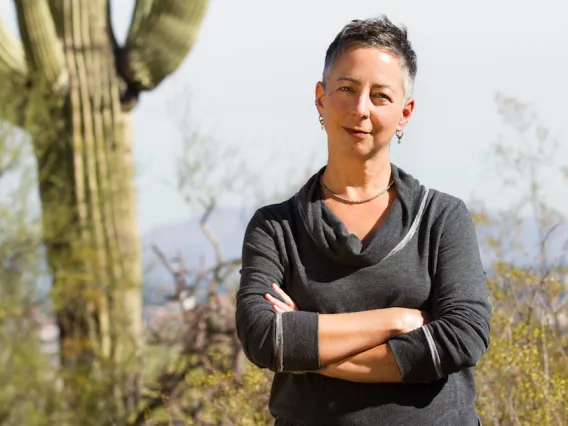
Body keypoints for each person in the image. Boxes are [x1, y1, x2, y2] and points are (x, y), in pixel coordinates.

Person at [235, 15, 491, 426]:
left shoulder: (442, 219)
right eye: (347, 89)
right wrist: (395, 320)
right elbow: (264, 337)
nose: (360, 109)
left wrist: (306, 350)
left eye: (380, 96)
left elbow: (462, 339)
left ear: (405, 113)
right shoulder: (276, 227)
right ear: (321, 98)